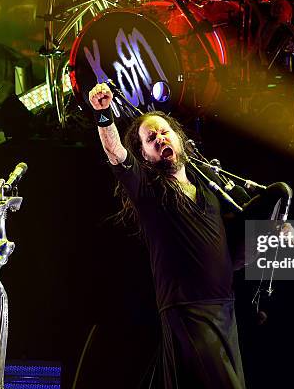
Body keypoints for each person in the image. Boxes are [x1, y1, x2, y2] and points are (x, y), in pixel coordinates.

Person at [89, 82, 247, 389]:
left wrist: (270, 239)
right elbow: (116, 154)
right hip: (187, 310)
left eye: (164, 132)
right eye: (150, 138)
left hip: (224, 310)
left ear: (179, 139)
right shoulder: (149, 193)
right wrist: (103, 115)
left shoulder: (209, 194)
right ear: (145, 155)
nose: (159, 137)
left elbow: (230, 260)